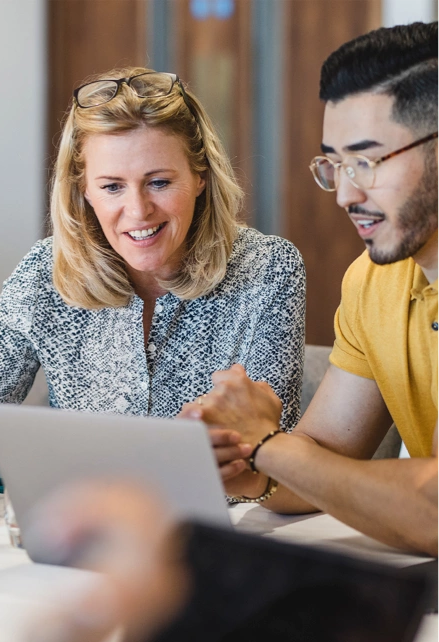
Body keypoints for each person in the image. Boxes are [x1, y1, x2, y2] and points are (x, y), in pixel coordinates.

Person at [0, 67, 305, 532]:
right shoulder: (44, 273)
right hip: (85, 539)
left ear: (200, 176)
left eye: (159, 182)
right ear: (83, 190)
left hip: (225, 542)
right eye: (112, 186)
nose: (137, 211)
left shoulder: (268, 269)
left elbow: (274, 456)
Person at [181, 21, 439, 556]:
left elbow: (433, 512)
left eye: (365, 162)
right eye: (335, 164)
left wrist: (268, 445)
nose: (344, 194)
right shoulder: (374, 279)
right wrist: (246, 464)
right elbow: (324, 455)